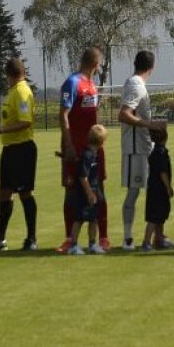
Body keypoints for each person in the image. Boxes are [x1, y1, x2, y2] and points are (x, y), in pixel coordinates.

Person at [58, 48, 109, 252]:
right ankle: (70, 240)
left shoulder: (92, 85)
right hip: (75, 148)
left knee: (99, 189)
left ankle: (102, 238)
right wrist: (68, 144)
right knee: (72, 192)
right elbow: (63, 114)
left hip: (95, 148)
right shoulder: (73, 82)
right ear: (96, 65)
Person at [118, 50, 168, 251]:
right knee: (133, 192)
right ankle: (128, 238)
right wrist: (150, 125)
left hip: (144, 147)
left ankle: (158, 236)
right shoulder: (135, 85)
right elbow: (124, 115)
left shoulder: (137, 84)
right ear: (152, 67)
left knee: (154, 193)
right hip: (135, 149)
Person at [0, 57, 39, 252]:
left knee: (24, 193)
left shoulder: (21, 92)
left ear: (8, 75)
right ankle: (1, 238)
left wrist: (0, 130)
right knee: (5, 193)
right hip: (10, 150)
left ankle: (31, 238)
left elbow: (25, 121)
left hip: (22, 149)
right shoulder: (13, 91)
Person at [68, 125, 107, 255]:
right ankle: (73, 246)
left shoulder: (94, 155)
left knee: (93, 219)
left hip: (94, 192)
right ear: (101, 142)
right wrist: (89, 193)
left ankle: (92, 244)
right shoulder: (87, 156)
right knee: (79, 219)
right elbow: (83, 176)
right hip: (84, 194)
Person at [141, 125, 174, 251]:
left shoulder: (156, 151)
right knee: (154, 218)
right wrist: (168, 187)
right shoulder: (161, 153)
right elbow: (163, 172)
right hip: (158, 190)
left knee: (160, 216)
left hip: (154, 189)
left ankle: (159, 239)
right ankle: (146, 242)